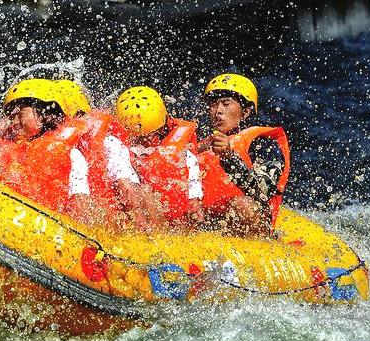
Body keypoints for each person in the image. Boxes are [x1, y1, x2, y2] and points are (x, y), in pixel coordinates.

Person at [0, 79, 139, 228]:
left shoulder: (71, 153)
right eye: (11, 116)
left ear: (44, 113)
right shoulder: (17, 148)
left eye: (20, 115)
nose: (13, 122)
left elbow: (82, 207)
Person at [198, 73, 290, 237]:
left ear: (246, 112)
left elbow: (262, 191)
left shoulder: (263, 143)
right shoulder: (201, 145)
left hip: (247, 224)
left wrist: (229, 158)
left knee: (243, 205)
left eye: (226, 103)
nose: (218, 110)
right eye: (214, 104)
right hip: (208, 223)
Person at [114, 86, 204, 230]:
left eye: (149, 137)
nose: (142, 143)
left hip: (172, 216)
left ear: (163, 128)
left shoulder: (180, 149)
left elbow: (193, 175)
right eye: (137, 138)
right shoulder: (117, 145)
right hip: (137, 210)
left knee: (146, 192)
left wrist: (194, 201)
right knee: (140, 191)